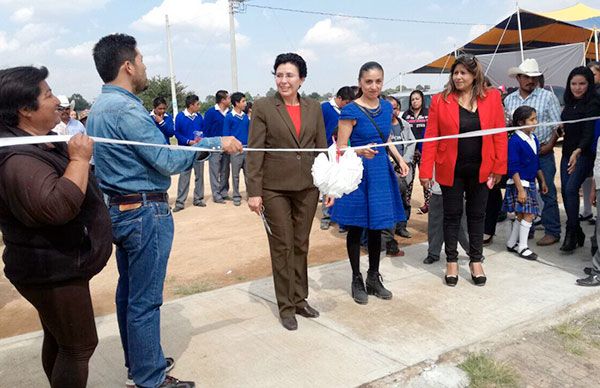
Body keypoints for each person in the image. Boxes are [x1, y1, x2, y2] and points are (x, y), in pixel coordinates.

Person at [86, 33, 242, 388]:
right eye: (141, 60)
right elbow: (167, 159)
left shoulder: (100, 107)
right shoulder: (126, 109)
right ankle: (150, 379)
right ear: (127, 66)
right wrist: (215, 144)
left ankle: (141, 362)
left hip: (121, 211)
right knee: (144, 301)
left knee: (129, 294)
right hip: (143, 213)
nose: (144, 66)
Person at [0, 66, 113, 388]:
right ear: (25, 109)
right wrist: (78, 161)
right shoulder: (17, 159)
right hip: (51, 270)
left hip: (58, 265)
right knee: (79, 346)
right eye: (48, 95)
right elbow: (56, 207)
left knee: (61, 340)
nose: (56, 102)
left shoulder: (40, 141)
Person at [246, 53, 328, 331]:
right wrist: (254, 191)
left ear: (301, 79)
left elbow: (321, 148)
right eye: (279, 75)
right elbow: (255, 150)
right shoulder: (263, 107)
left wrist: (327, 185)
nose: (283, 80)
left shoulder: (314, 107)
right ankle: (286, 306)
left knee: (301, 244)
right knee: (282, 245)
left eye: (289, 75)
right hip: (274, 189)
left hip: (307, 187)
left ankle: (300, 299)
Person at [420, 54, 507, 287]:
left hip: (482, 168)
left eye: (463, 73)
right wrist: (425, 171)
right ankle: (451, 261)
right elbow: (430, 138)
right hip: (451, 169)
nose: (458, 77)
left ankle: (476, 261)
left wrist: (499, 166)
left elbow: (499, 134)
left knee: (478, 215)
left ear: (474, 75)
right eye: (455, 73)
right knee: (452, 215)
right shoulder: (440, 100)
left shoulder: (492, 98)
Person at [330, 61, 409, 305]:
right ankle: (356, 279)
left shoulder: (386, 108)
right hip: (357, 173)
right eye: (368, 82)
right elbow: (341, 147)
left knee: (378, 227)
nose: (373, 86)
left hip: (380, 171)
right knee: (355, 227)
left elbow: (385, 138)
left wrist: (398, 159)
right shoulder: (351, 110)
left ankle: (373, 277)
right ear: (360, 83)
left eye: (378, 81)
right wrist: (359, 150)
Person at [504, 59, 562, 246]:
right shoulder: (509, 100)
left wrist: (551, 145)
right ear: (518, 78)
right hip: (520, 156)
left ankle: (552, 230)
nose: (531, 80)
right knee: (520, 192)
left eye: (534, 77)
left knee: (547, 191)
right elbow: (507, 127)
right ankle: (524, 232)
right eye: (527, 77)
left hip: (543, 151)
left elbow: (558, 126)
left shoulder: (548, 97)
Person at [559, 66, 600, 252]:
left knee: (570, 188)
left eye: (582, 83)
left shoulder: (593, 102)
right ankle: (576, 231)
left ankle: (571, 231)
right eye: (574, 83)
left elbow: (589, 132)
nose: (577, 87)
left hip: (583, 154)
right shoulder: (568, 102)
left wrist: (578, 150)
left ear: (589, 84)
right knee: (567, 194)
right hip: (567, 152)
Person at [503, 106, 548, 260]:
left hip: (530, 182)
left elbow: (536, 162)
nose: (536, 122)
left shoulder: (533, 138)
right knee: (529, 214)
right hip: (520, 184)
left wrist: (542, 180)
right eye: (532, 119)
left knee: (522, 215)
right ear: (521, 122)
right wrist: (520, 189)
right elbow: (513, 166)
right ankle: (522, 246)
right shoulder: (515, 141)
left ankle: (511, 242)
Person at [320, 86, 354, 230]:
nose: (347, 106)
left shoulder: (349, 111)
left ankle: (343, 219)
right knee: (328, 183)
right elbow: (318, 128)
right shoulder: (324, 108)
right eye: (346, 102)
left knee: (343, 183)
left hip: (345, 152)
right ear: (339, 98)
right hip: (328, 151)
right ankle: (327, 215)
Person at [424, 169, 470, 264]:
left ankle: (472, 250)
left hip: (457, 188)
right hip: (436, 189)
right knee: (435, 223)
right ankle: (433, 252)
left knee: (462, 224)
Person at [385, 95, 415, 240]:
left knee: (405, 198)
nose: (392, 112)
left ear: (399, 109)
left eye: (395, 108)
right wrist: (393, 162)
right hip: (389, 168)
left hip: (405, 168)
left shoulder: (405, 124)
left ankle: (402, 227)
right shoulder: (383, 126)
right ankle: (389, 231)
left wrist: (404, 161)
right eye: (389, 108)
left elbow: (411, 143)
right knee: (390, 200)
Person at [173, 94, 206, 211]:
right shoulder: (180, 117)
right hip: (185, 151)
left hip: (198, 150)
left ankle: (198, 198)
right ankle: (180, 202)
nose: (199, 106)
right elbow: (176, 133)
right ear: (191, 105)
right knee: (184, 176)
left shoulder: (199, 117)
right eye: (197, 104)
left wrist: (201, 139)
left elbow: (204, 131)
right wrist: (188, 141)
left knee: (199, 175)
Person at [402, 90, 430, 214]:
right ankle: (405, 204)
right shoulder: (406, 115)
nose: (415, 101)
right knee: (408, 179)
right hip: (410, 151)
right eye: (412, 99)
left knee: (426, 178)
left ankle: (428, 204)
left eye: (417, 99)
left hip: (425, 151)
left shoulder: (428, 113)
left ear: (422, 100)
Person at [205, 90, 231, 203]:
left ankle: (224, 192)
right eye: (228, 98)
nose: (230, 100)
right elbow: (206, 130)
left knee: (225, 170)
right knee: (215, 171)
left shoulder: (230, 113)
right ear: (223, 100)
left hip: (227, 146)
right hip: (215, 146)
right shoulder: (211, 112)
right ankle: (216, 194)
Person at [223, 92, 249, 206]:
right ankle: (236, 196)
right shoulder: (229, 117)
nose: (245, 103)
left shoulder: (245, 117)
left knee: (249, 174)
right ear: (236, 103)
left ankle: (250, 194)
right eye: (243, 101)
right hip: (235, 150)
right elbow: (226, 134)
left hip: (247, 149)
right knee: (235, 174)